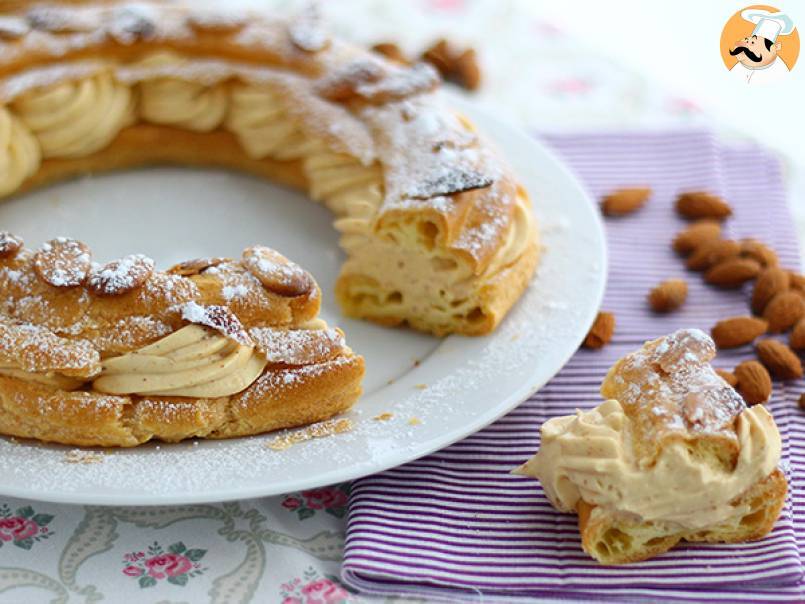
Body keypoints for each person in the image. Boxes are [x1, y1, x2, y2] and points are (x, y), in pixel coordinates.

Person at [729, 9, 794, 85]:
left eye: (753, 42)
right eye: (746, 40)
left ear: (776, 47)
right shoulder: (740, 66)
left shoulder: (778, 73)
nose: (746, 44)